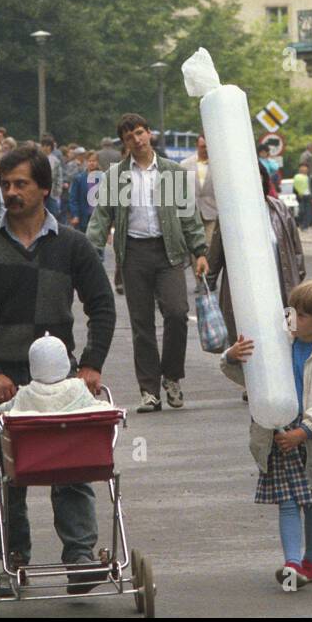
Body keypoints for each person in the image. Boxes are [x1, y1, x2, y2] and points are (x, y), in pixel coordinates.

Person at [0, 145, 115, 592]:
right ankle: (13, 558)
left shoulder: (72, 245)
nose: (11, 192)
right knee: (5, 475)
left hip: (59, 382)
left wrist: (91, 364)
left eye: (21, 183)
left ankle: (81, 557)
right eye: (5, 184)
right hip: (2, 381)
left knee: (73, 466)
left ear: (45, 187)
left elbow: (101, 305)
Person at [221, 280, 312, 589]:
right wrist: (233, 356)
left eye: (303, 316)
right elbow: (251, 379)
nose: (293, 320)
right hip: (279, 434)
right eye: (290, 312)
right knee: (289, 502)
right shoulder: (277, 346)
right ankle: (292, 563)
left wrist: (304, 430)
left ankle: (311, 562)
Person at [87, 113, 208, 413]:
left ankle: (172, 377)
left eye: (140, 133)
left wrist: (200, 251)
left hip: (168, 252)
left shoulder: (170, 172)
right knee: (142, 325)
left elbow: (188, 216)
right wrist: (90, 252)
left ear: (149, 133)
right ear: (124, 143)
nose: (137, 140)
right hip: (134, 254)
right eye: (130, 137)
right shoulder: (117, 176)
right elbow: (102, 216)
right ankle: (149, 390)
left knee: (177, 313)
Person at [207, 162, 306, 400]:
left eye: (259, 176)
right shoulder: (229, 215)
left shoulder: (280, 209)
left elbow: (295, 249)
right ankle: (253, 382)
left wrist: (300, 280)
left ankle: (288, 380)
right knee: (250, 335)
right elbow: (216, 254)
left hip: (283, 283)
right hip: (247, 289)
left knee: (287, 333)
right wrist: (208, 285)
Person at [0, 335, 113, 416]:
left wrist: (0, 410)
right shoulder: (78, 388)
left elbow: (5, 409)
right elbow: (95, 406)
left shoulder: (25, 393)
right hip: (75, 444)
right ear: (66, 364)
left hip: (32, 446)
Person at [181, 134, 219, 247]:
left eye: (208, 146)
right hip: (191, 213)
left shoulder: (219, 165)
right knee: (193, 246)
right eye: (203, 146)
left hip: (212, 212)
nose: (206, 149)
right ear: (197, 146)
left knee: (210, 246)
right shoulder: (185, 164)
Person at [68, 150, 99, 232]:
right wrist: (75, 215)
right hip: (83, 215)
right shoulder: (79, 178)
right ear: (86, 162)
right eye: (90, 161)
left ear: (98, 162)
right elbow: (73, 198)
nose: (92, 163)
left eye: (94, 161)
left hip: (97, 216)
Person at [40, 135, 64, 222]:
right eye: (43, 145)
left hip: (52, 193)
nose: (45, 148)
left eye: (48, 146)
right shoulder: (37, 159)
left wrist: (58, 192)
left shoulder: (56, 161)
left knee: (53, 214)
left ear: (51, 147)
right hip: (40, 192)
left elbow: (59, 177)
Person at [292, 163, 312, 229]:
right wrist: (298, 194)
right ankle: (301, 223)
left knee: (308, 211)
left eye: (305, 167)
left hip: (308, 196)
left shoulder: (310, 177)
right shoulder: (297, 177)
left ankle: (305, 225)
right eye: (302, 167)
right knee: (301, 211)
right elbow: (295, 187)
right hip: (301, 197)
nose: (304, 169)